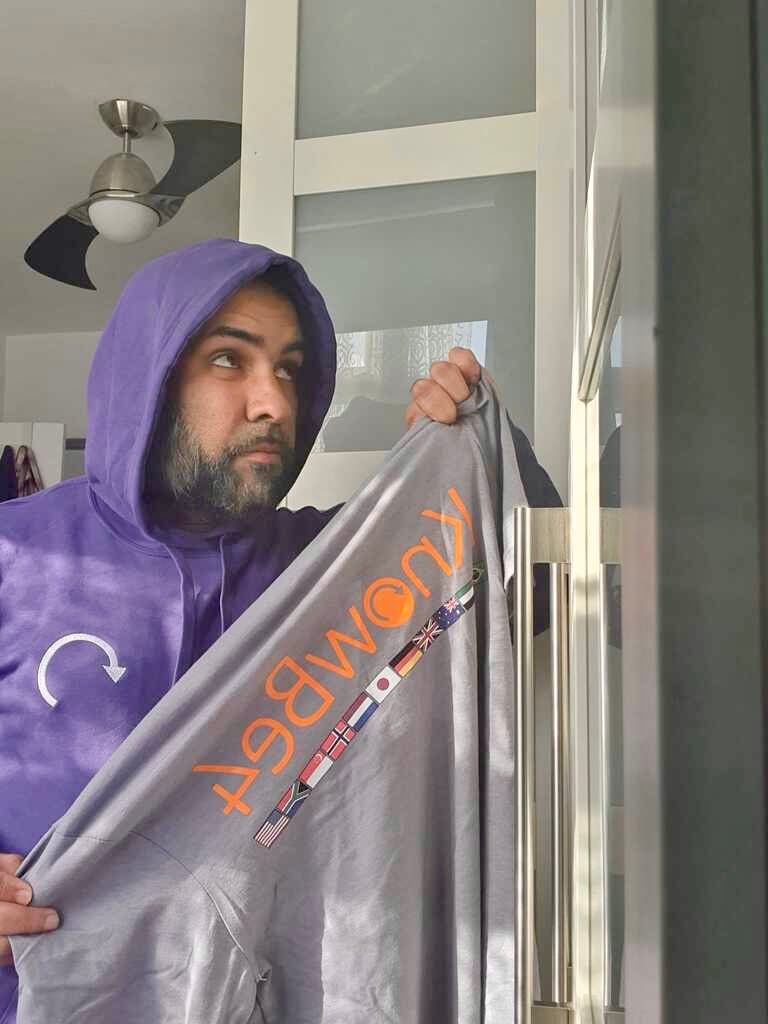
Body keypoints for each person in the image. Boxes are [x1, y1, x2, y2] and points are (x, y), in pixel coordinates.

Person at [0, 239, 558, 1019]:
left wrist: (475, 454)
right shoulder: (17, 554)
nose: (274, 403)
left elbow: (527, 590)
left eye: (291, 370)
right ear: (148, 379)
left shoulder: (333, 571)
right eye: (230, 360)